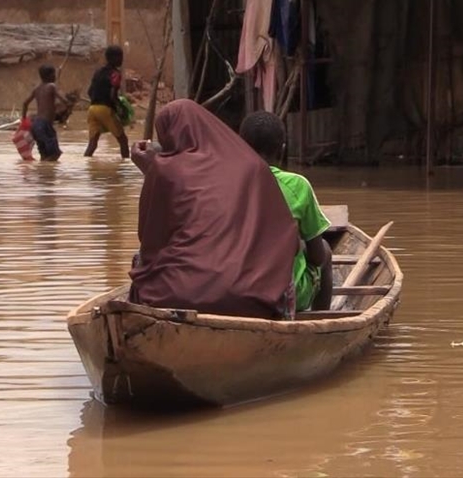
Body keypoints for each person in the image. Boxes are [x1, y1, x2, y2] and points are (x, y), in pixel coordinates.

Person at [129, 99, 300, 319]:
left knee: (139, 259)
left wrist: (153, 172)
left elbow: (150, 238)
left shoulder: (165, 169)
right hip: (255, 300)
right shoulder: (253, 166)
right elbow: (283, 237)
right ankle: (283, 322)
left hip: (175, 295)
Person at [239, 111, 333, 312]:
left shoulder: (227, 183)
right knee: (325, 249)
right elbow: (317, 257)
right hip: (287, 296)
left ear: (241, 148)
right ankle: (322, 321)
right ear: (282, 149)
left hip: (237, 290)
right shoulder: (298, 186)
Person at [84, 45, 130, 159]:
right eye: (120, 57)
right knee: (123, 140)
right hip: (105, 109)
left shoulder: (98, 72)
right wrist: (120, 109)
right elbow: (112, 95)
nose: (121, 60)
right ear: (113, 58)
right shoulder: (115, 74)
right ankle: (125, 166)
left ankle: (86, 164)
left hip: (92, 109)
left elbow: (89, 92)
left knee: (92, 144)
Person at [22, 64, 69, 161]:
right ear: (49, 76)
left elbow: (25, 103)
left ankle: (42, 173)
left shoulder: (37, 89)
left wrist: (23, 119)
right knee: (54, 155)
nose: (55, 76)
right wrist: (68, 104)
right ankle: (44, 170)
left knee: (44, 155)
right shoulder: (51, 86)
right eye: (54, 74)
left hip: (35, 125)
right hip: (45, 125)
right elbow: (64, 100)